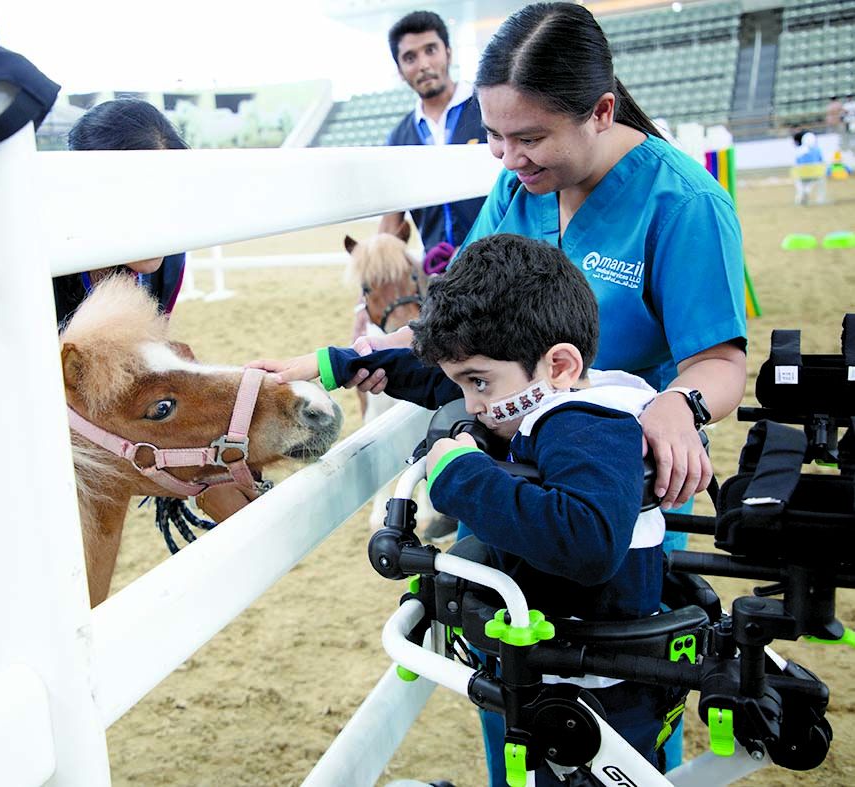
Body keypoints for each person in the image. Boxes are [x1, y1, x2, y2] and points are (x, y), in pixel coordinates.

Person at [256, 2, 748, 769]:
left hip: (614, 479)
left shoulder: (681, 204)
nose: (506, 155)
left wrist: (674, 403)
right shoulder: (519, 188)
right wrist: (336, 359)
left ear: (601, 112)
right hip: (511, 476)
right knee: (511, 674)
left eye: (528, 137)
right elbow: (461, 323)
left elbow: (718, 359)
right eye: (492, 134)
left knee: (621, 690)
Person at [322, 234, 675, 784]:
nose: (471, 405)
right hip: (568, 681)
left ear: (560, 365)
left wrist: (460, 476)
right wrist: (341, 364)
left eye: (478, 384)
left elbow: (587, 541)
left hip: (592, 701)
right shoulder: (551, 394)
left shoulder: (584, 424)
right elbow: (448, 375)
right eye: (464, 385)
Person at [0, 98, 189, 469]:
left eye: (168, 193)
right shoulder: (32, 247)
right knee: (1, 489)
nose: (159, 218)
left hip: (39, 374)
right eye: (137, 198)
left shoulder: (166, 261)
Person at [380, 10, 487, 274]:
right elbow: (390, 224)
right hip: (439, 277)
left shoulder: (488, 109)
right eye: (410, 57)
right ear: (400, 70)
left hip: (499, 266)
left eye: (431, 50)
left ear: (448, 52)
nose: (423, 64)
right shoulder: (398, 139)